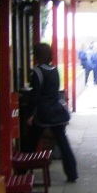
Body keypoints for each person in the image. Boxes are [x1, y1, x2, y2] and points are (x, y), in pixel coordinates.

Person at [27, 42, 78, 182]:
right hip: (56, 112)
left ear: (37, 56)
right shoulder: (54, 70)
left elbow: (35, 96)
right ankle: (72, 172)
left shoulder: (37, 72)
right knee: (63, 143)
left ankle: (22, 172)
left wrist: (30, 114)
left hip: (42, 114)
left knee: (30, 143)